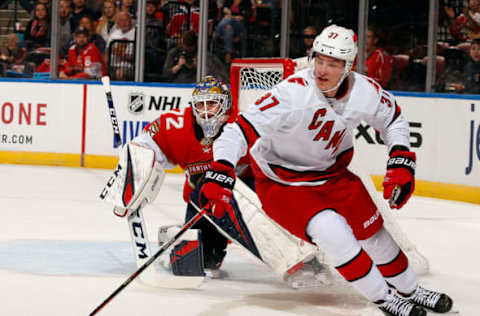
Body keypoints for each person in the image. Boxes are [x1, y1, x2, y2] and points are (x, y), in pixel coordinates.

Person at [198, 24, 454, 316]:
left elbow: (393, 117)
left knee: (375, 236)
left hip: (333, 176)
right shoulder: (291, 93)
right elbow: (236, 132)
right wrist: (219, 170)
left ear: (349, 66)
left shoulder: (364, 91)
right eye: (319, 59)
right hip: (283, 183)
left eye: (332, 63)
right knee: (334, 234)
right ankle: (384, 298)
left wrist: (400, 157)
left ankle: (411, 289)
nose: (321, 69)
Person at [101, 75, 326, 285]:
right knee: (201, 265)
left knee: (264, 202)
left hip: (250, 194)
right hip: (203, 204)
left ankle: (301, 255)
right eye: (200, 105)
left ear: (226, 105)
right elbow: (142, 148)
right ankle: (193, 246)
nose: (206, 112)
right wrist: (130, 174)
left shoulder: (244, 125)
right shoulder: (175, 126)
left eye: (212, 104)